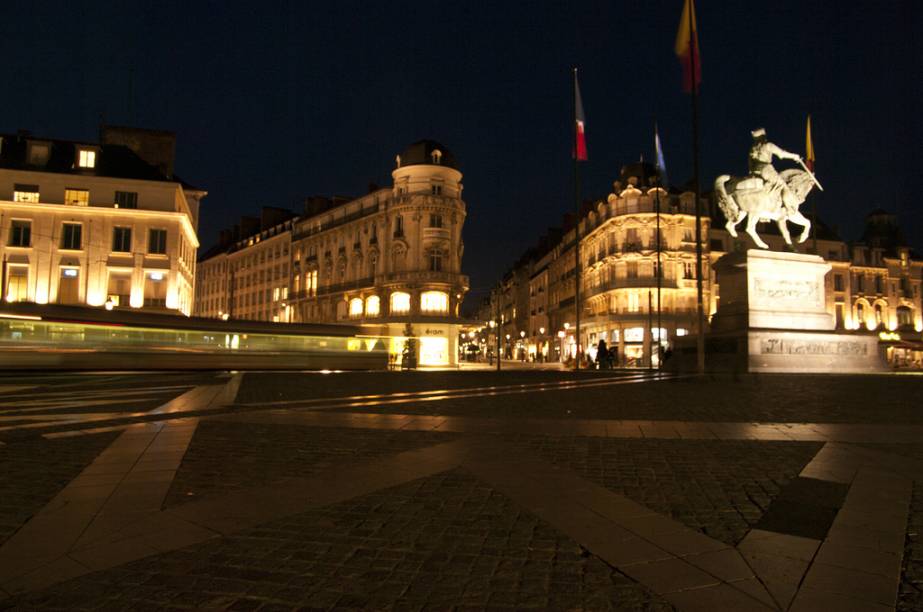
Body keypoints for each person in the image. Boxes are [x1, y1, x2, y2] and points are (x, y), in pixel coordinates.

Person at [748, 128, 802, 213]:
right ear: (764, 136)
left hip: (755, 171)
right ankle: (788, 209)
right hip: (766, 169)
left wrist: (751, 173)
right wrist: (794, 156)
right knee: (782, 185)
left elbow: (750, 163)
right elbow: (781, 154)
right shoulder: (768, 145)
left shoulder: (753, 149)